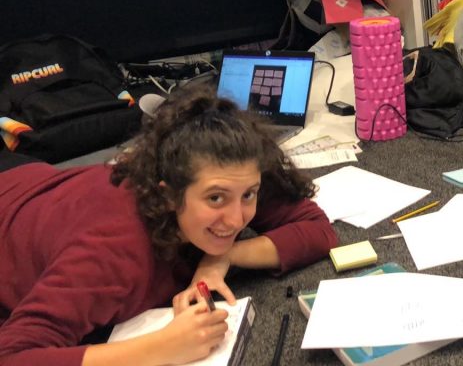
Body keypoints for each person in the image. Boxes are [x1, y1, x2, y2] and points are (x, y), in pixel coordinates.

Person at [0, 85, 338, 366]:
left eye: (249, 194)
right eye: (216, 199)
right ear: (168, 196)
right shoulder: (113, 254)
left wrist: (223, 256)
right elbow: (13, 355)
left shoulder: (229, 174)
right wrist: (160, 348)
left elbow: (318, 230)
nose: (237, 219)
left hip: (36, 184)